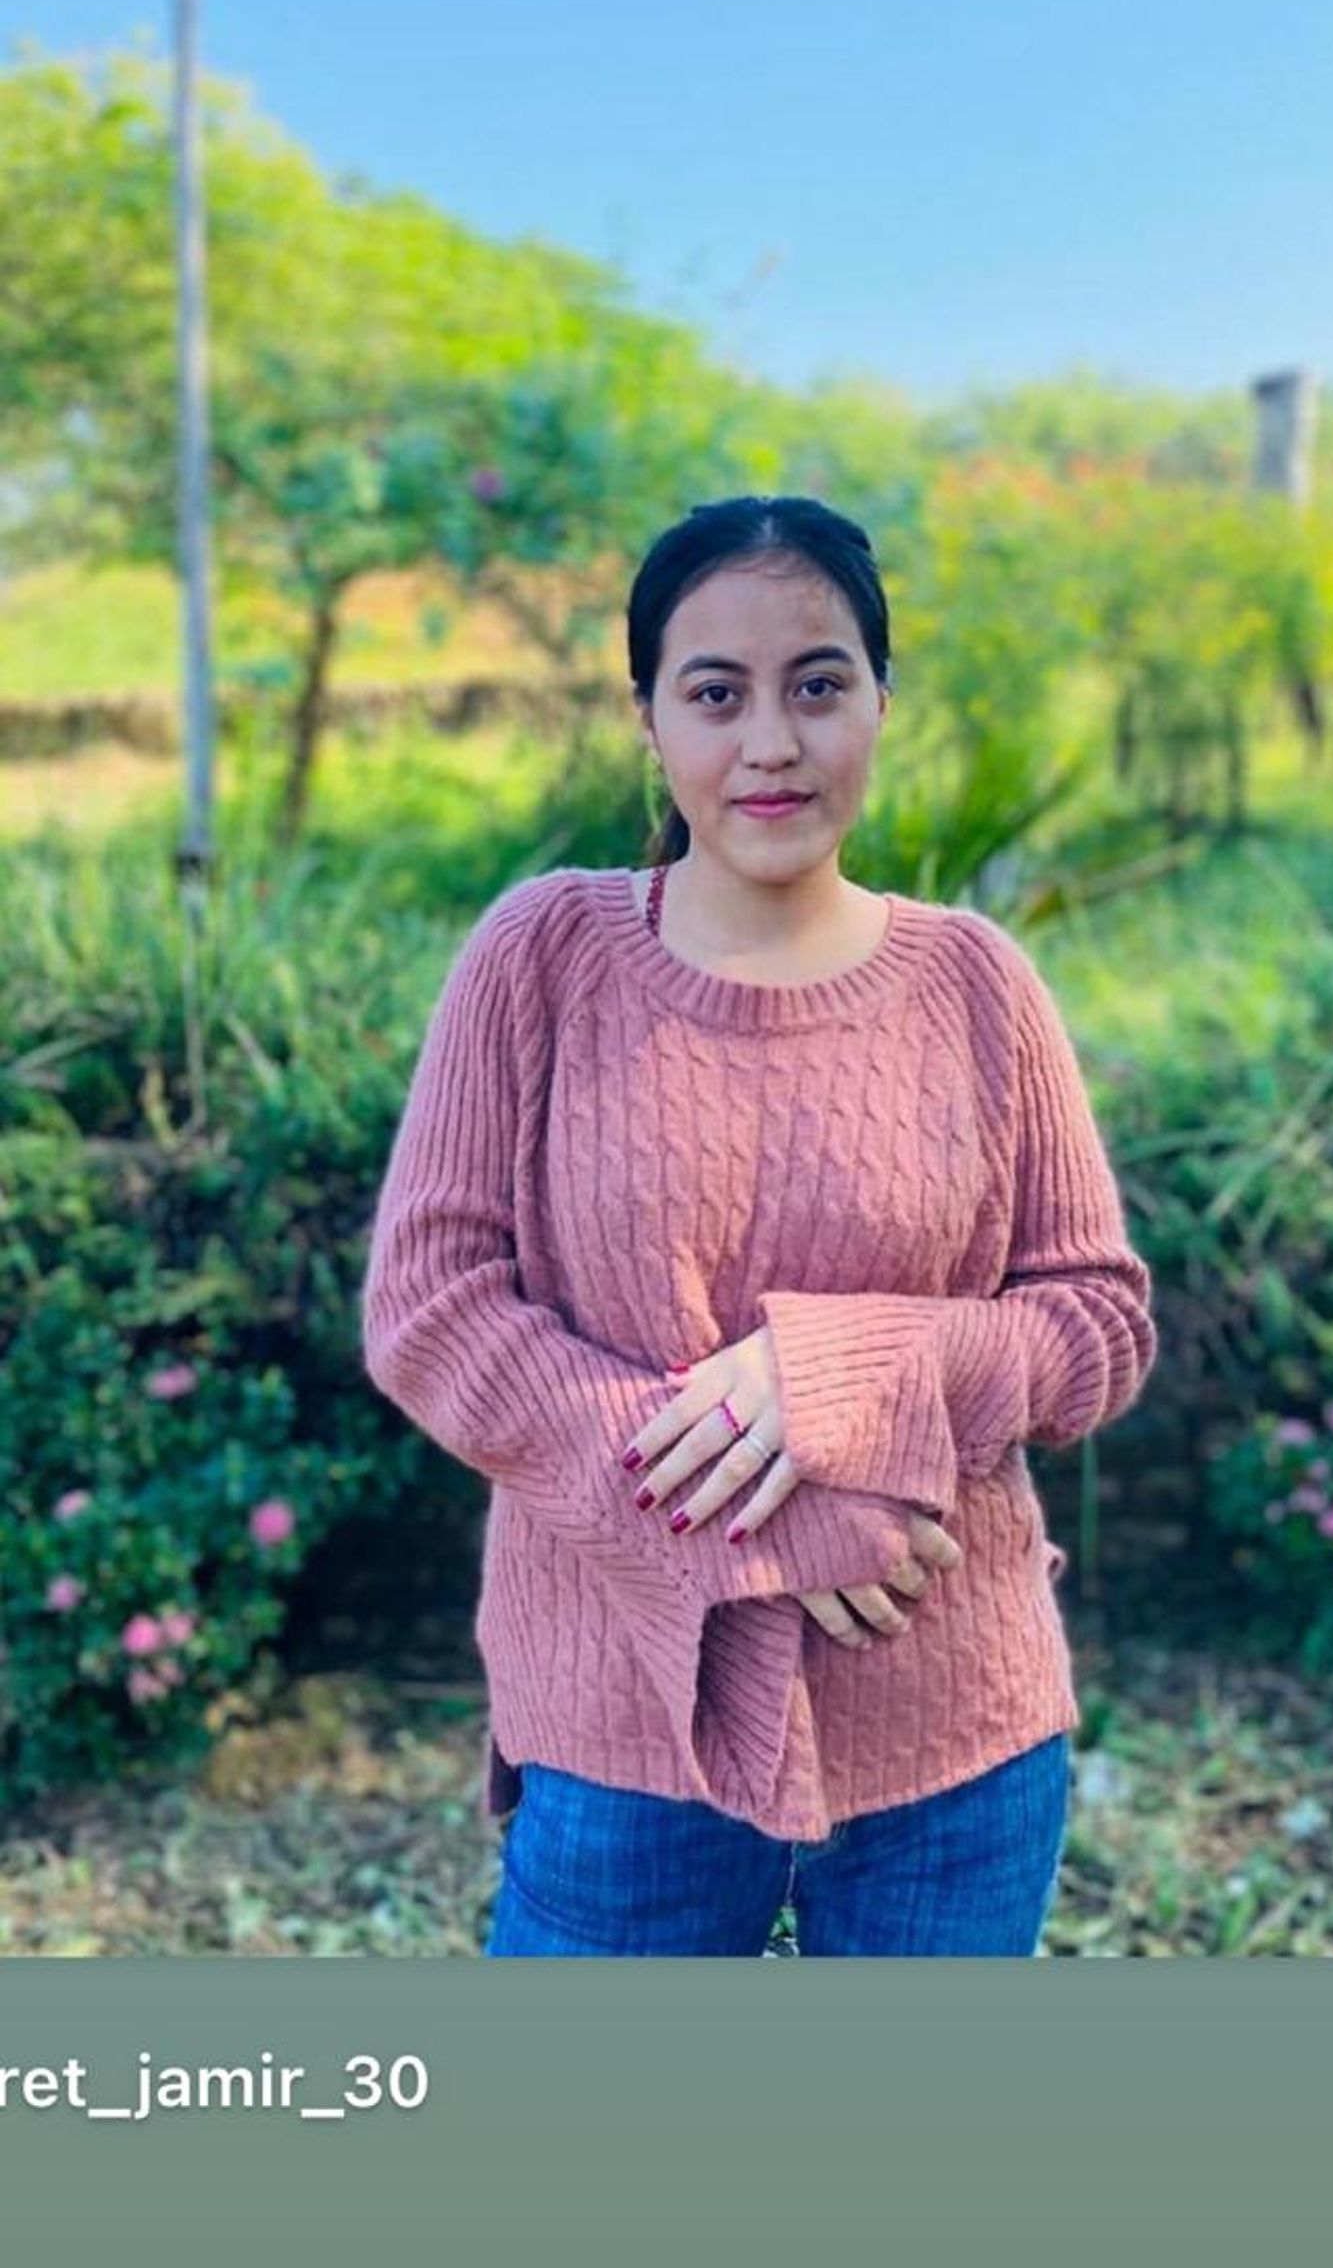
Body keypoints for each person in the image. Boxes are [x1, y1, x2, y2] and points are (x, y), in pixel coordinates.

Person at [360, 494, 1158, 1955]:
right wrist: (780, 1519)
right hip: (625, 1727)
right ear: (649, 718)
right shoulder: (541, 957)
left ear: (879, 702)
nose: (772, 742)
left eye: (819, 685)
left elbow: (1095, 1322)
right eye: (716, 693)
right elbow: (433, 1308)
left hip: (953, 1740)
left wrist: (844, 1376)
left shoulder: (978, 984)